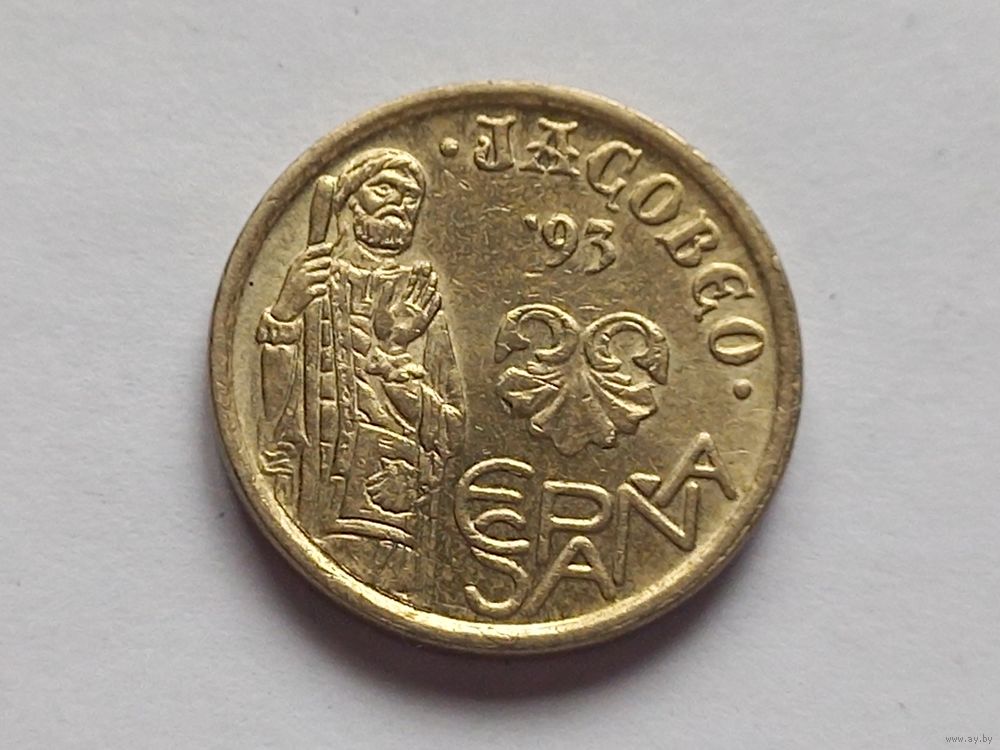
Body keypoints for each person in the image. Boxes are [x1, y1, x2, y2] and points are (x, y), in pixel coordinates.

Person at [255, 148, 464, 603]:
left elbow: (451, 430)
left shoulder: (421, 297)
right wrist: (286, 312)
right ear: (348, 200)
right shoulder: (310, 285)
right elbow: (273, 412)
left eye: (410, 197)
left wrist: (393, 354)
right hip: (313, 506)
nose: (399, 204)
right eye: (384, 189)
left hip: (396, 522)